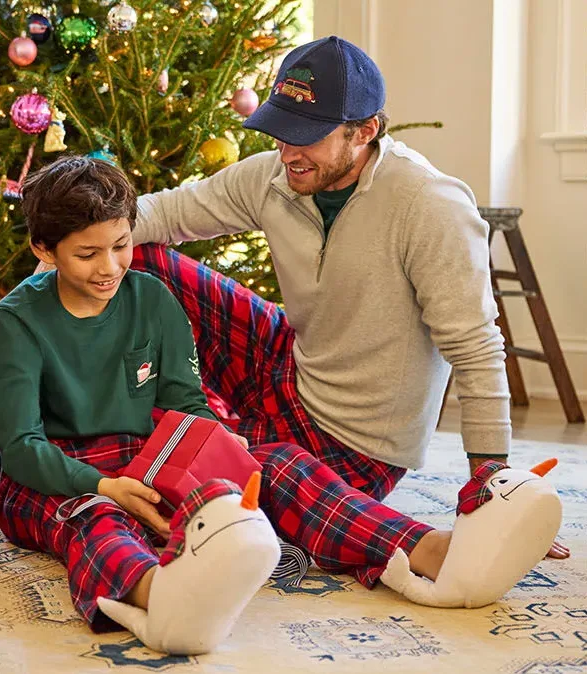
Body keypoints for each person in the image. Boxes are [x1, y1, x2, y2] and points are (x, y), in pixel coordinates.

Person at [0, 156, 540, 645]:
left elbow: (186, 402)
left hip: (146, 453)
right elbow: (21, 448)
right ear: (43, 250)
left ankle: (434, 552)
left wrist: (215, 448)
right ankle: (161, 595)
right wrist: (104, 485)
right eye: (87, 254)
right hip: (58, 474)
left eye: (121, 245)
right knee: (96, 520)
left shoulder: (150, 296)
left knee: (278, 464)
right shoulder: (16, 323)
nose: (109, 268)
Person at [123, 35, 570, 558]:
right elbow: (161, 214)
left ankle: (427, 551)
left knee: (238, 482)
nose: (287, 152)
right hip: (291, 369)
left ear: (365, 131)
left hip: (358, 443)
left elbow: (476, 350)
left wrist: (493, 482)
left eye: (305, 136)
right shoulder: (275, 174)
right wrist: (68, 245)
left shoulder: (429, 205)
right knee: (137, 257)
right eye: (280, 131)